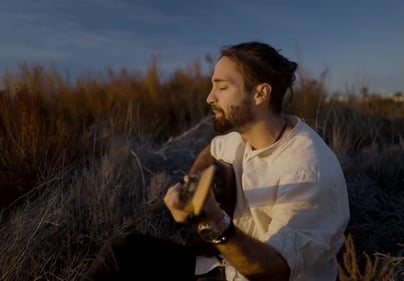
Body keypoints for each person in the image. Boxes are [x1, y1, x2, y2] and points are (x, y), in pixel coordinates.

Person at [81, 41, 350, 281]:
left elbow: (275, 271)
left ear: (260, 94)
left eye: (222, 87)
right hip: (224, 267)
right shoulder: (245, 135)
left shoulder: (307, 169)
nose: (210, 97)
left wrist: (214, 221)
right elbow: (213, 149)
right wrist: (195, 188)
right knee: (122, 251)